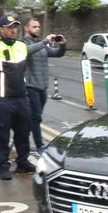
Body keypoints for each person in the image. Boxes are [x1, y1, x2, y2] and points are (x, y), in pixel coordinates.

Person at [0, 15, 60, 180]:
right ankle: (4, 165)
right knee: (3, 133)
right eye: (9, 27)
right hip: (3, 98)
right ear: (1, 29)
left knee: (23, 131)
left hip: (21, 96)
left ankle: (22, 162)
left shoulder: (20, 46)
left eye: (15, 27)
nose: (13, 30)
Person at [23, 18, 66, 153]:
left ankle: (21, 140)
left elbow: (57, 53)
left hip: (43, 87)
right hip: (30, 86)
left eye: (38, 27)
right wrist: (45, 41)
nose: (37, 29)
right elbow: (28, 51)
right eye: (34, 27)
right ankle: (39, 145)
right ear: (26, 28)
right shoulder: (22, 43)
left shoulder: (41, 44)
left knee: (34, 118)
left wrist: (63, 45)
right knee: (36, 117)